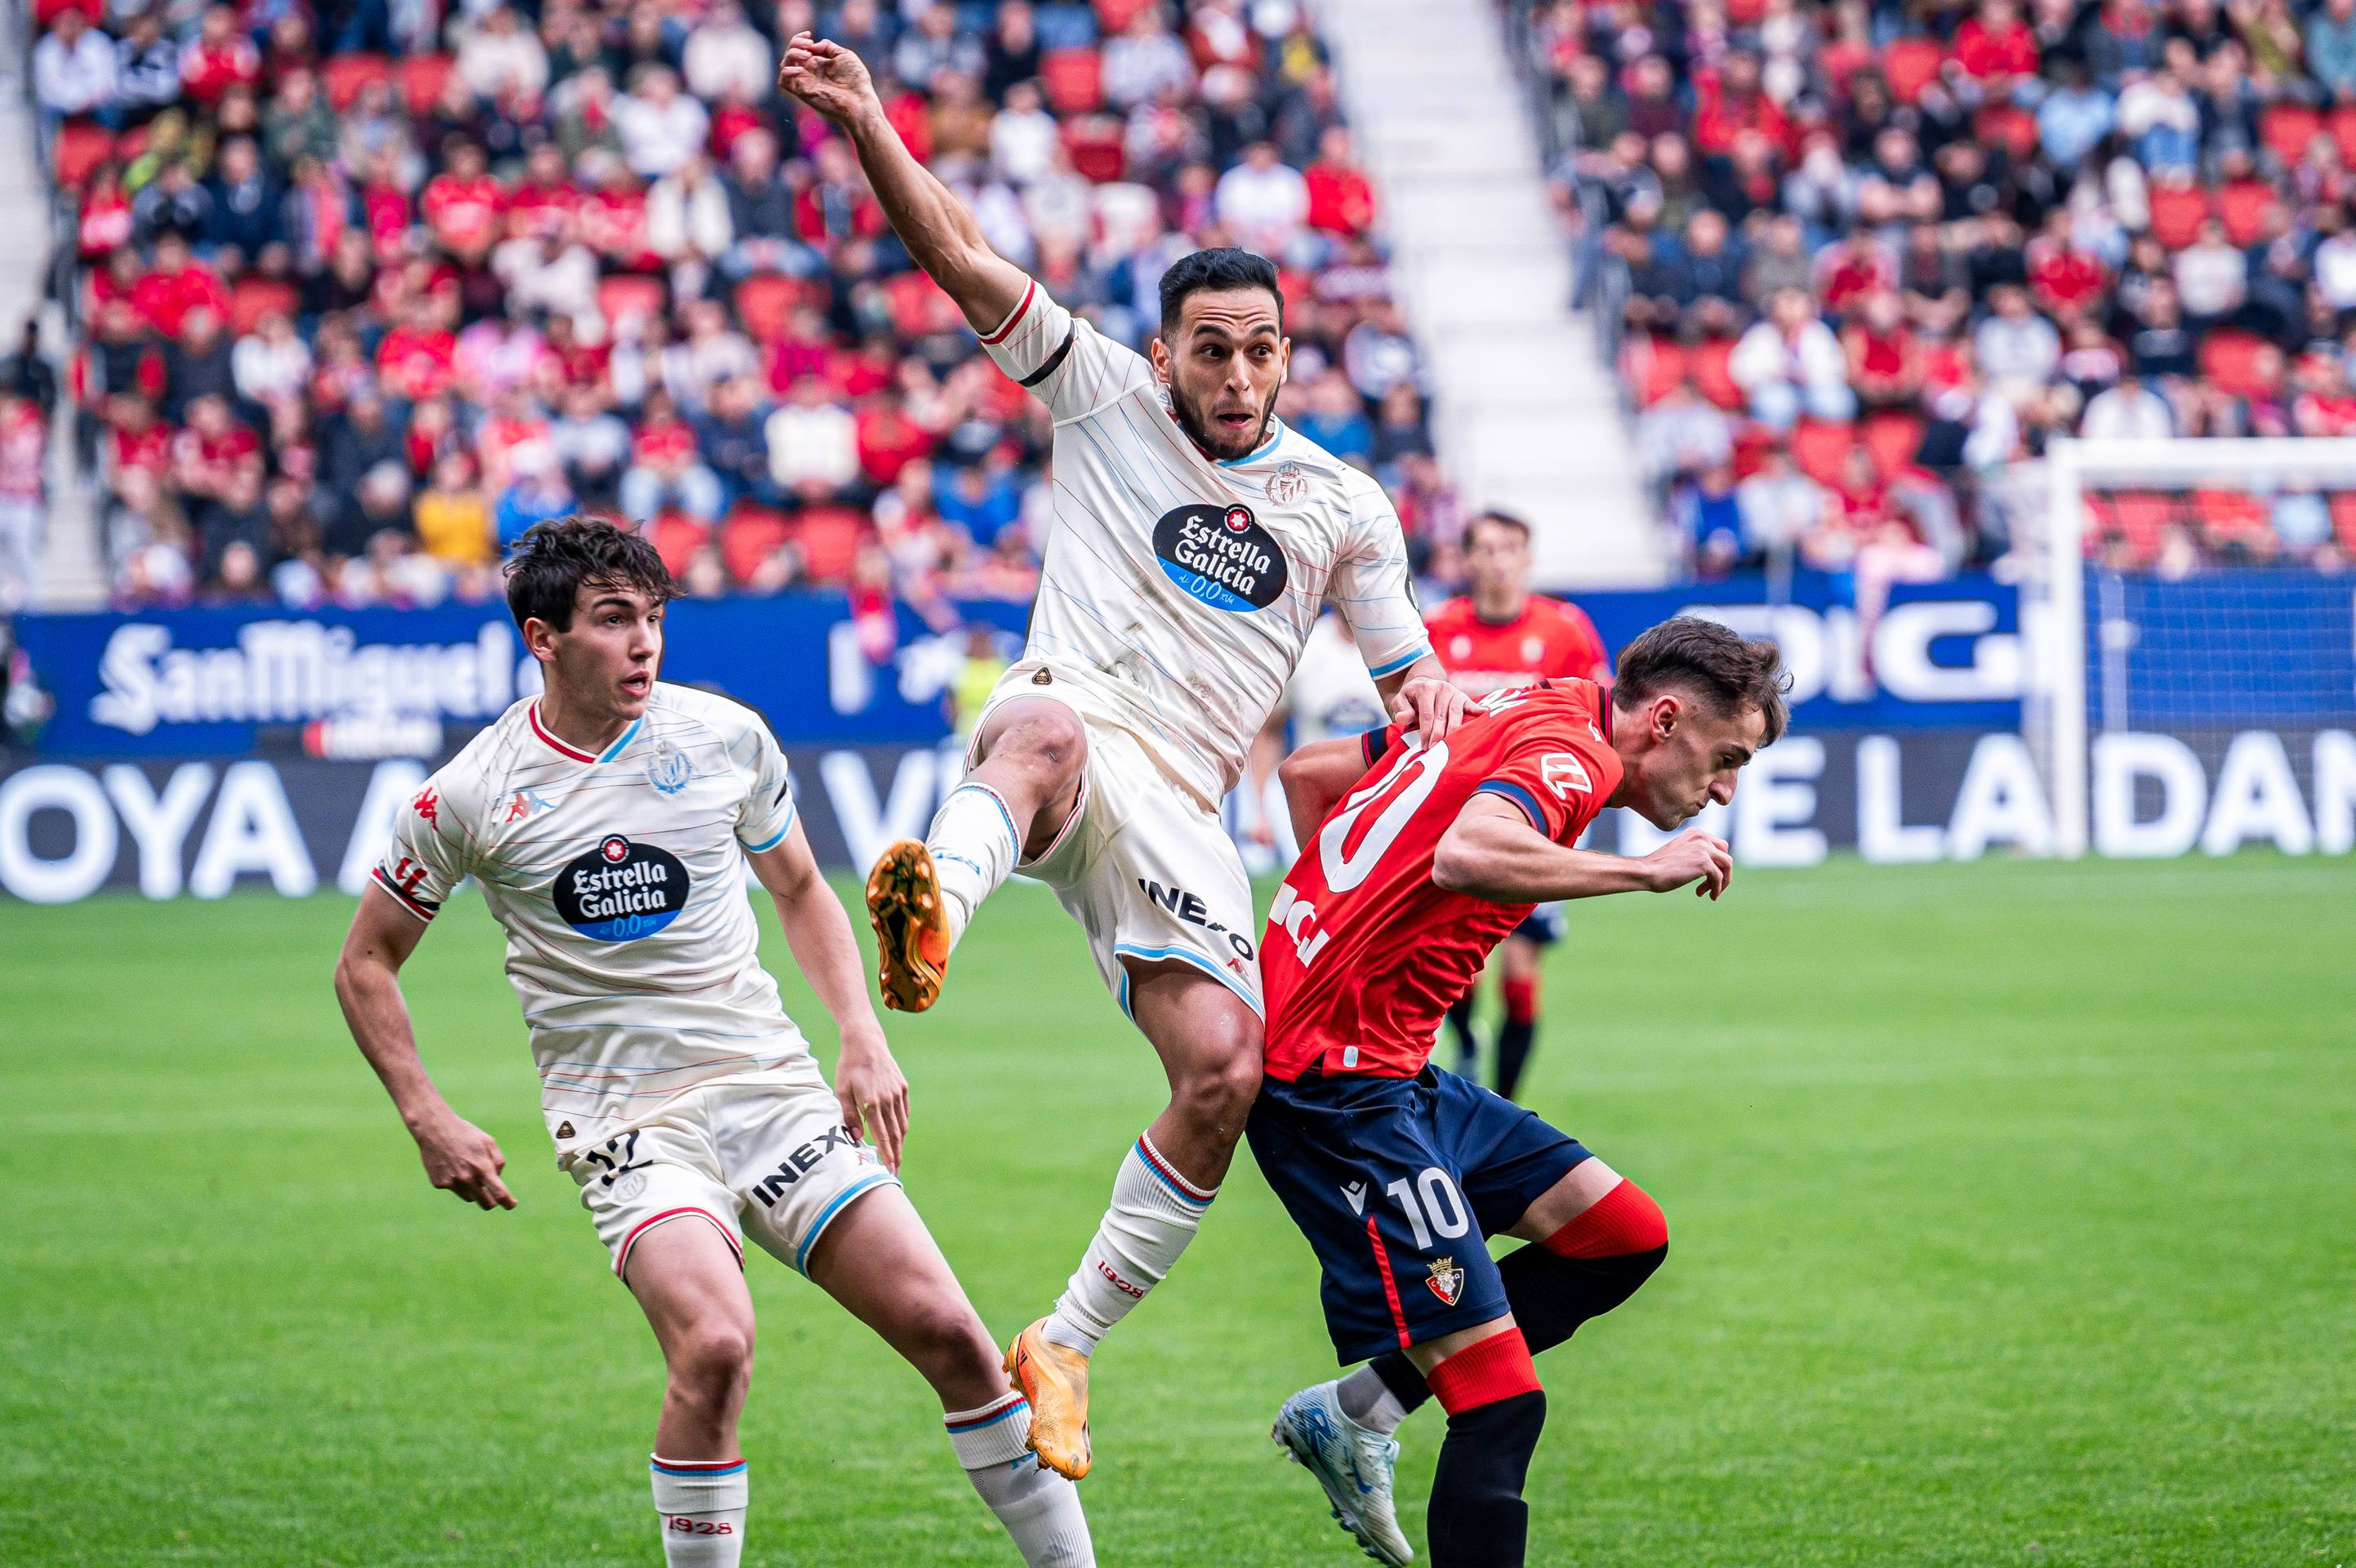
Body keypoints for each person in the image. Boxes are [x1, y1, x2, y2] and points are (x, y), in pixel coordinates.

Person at [778, 33, 1467, 1481]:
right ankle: (932, 917)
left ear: (1290, 352)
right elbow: (964, 256)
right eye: (1208, 347)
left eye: (1259, 346)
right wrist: (869, 126)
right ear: (1166, 353)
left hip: (1188, 810)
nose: (1233, 372)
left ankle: (1067, 1341)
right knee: (1032, 729)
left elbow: (1416, 687)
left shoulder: (1343, 506)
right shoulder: (1099, 394)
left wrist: (1437, 750)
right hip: (1072, 726)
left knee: (1227, 1070)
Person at [330, 519, 1093, 1568]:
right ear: (541, 639)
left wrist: (859, 1034)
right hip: (630, 1127)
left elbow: (799, 891)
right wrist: (428, 1116)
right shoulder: (470, 793)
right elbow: (363, 963)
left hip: (769, 1092)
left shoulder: (725, 738)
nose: (643, 644)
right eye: (612, 622)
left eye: (652, 618)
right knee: (717, 1346)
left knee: (957, 1339)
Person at [1253, 617, 1789, 1568]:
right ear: (1662, 719)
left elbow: (1311, 774)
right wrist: (1640, 870)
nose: (1722, 791)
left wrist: (1359, 938)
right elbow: (1467, 853)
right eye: (1725, 758)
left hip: (1390, 1068)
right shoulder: (1572, 757)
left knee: (1621, 1237)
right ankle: (1372, 1416)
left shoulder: (1524, 700)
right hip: (1339, 1098)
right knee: (1500, 1406)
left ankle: (1359, 1411)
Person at [1421, 510, 1610, 1101]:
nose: (1499, 560)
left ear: (1527, 557)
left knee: (1520, 978)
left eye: (1510, 547)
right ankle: (1469, 1042)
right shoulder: (1436, 628)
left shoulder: (1564, 631)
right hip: (1453, 821)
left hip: (1535, 820)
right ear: (1467, 559)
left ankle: (1501, 1104)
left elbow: (1599, 719)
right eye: (1487, 548)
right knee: (1451, 966)